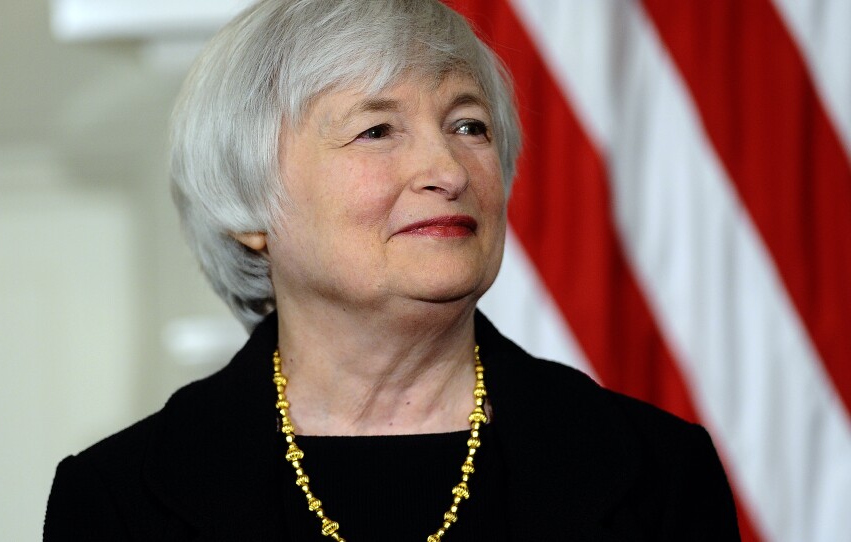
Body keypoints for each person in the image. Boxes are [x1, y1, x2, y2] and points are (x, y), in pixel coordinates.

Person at [44, 1, 741, 540]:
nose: (447, 171)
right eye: (377, 130)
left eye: (470, 126)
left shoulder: (658, 473)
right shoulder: (118, 501)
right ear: (248, 203)